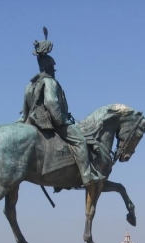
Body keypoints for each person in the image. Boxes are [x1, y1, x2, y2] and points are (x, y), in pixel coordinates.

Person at [19, 29, 104, 187]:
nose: (54, 71)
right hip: (50, 122)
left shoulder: (30, 84)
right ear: (50, 68)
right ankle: (86, 176)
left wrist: (23, 121)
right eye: (53, 68)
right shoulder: (50, 82)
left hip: (31, 121)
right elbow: (52, 103)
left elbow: (25, 108)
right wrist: (61, 120)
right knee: (80, 141)